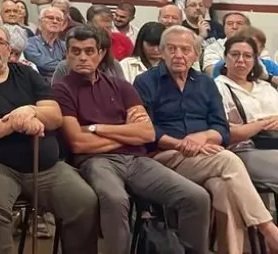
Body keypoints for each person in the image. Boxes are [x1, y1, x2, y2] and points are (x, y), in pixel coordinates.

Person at [52, 26, 210, 254]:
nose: (83, 57)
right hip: (95, 161)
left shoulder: (121, 86)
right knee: (115, 199)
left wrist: (96, 128)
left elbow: (147, 133)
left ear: (100, 53)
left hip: (137, 160)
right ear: (67, 54)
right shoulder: (61, 89)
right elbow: (78, 143)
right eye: (75, 51)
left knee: (196, 197)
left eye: (89, 51)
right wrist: (127, 133)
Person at [0, 24, 99, 254]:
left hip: (44, 166)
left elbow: (54, 116)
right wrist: (13, 122)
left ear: (9, 49)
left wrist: (31, 110)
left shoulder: (27, 74)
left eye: (0, 42)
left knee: (84, 201)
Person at [134, 26, 278, 252]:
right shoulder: (145, 82)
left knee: (224, 188)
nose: (178, 55)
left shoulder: (205, 83)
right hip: (164, 156)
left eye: (185, 50)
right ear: (162, 51)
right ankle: (269, 231)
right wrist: (181, 143)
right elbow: (145, 129)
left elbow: (221, 128)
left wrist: (202, 137)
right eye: (172, 49)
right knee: (228, 160)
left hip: (204, 155)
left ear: (195, 54)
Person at [213, 32, 278, 188]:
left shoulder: (265, 87)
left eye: (248, 56)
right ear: (225, 58)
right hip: (244, 150)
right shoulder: (217, 87)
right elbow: (225, 133)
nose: (241, 60)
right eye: (235, 54)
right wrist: (261, 124)